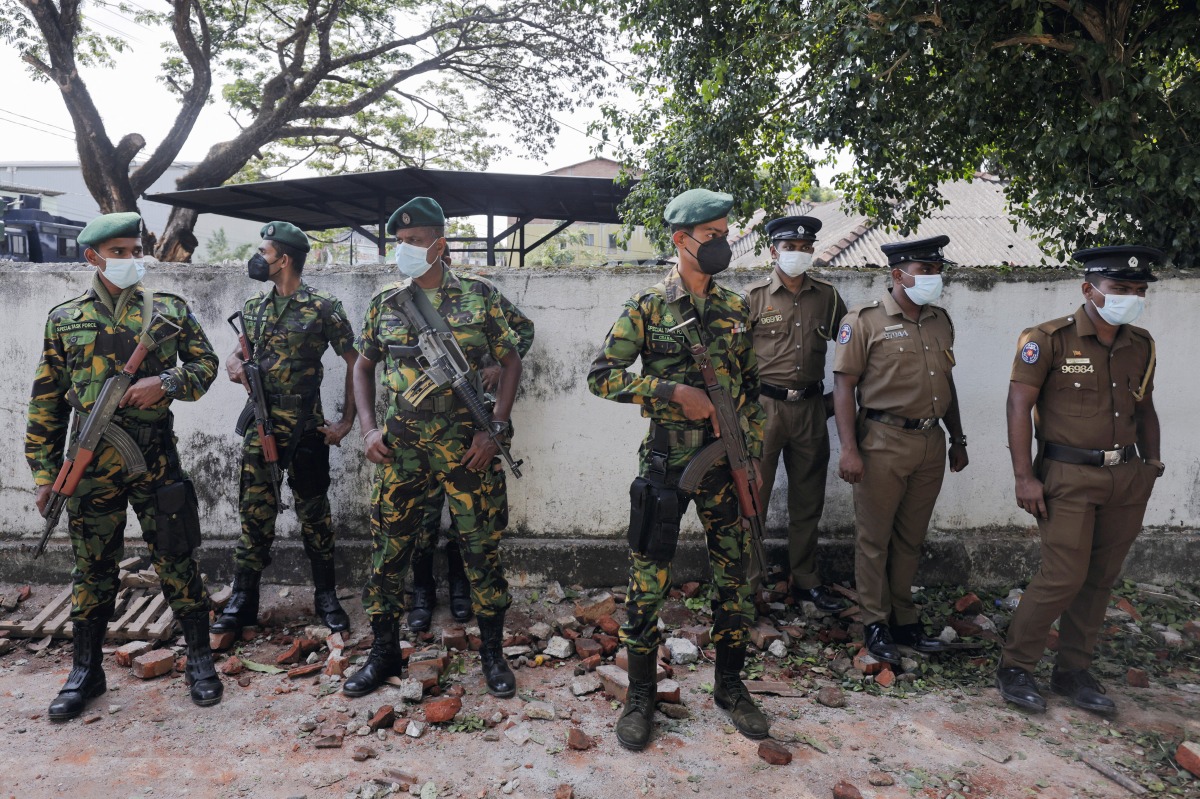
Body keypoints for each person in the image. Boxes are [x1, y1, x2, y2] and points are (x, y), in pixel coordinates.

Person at [588, 188, 769, 751]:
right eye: (712, 236)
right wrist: (673, 392)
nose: (722, 245)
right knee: (648, 585)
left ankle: (731, 687)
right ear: (680, 239)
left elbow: (752, 392)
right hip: (668, 463)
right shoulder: (646, 308)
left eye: (724, 235)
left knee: (734, 578)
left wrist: (754, 456)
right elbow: (603, 376)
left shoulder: (737, 309)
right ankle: (641, 694)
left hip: (726, 465)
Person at [26, 211, 222, 719]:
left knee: (176, 556)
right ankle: (85, 671)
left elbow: (207, 367)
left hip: (154, 456)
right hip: (88, 467)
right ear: (93, 257)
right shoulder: (64, 318)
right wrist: (47, 475)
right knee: (92, 569)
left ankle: (200, 660)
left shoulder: (169, 310)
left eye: (136, 250)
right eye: (120, 252)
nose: (133, 259)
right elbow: (45, 402)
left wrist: (167, 383)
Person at [347, 197, 523, 699]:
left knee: (482, 550)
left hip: (468, 451)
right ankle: (382, 653)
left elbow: (511, 362)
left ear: (439, 245)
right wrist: (366, 429)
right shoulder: (385, 302)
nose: (403, 251)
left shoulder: (479, 297)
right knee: (388, 553)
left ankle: (492, 654)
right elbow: (362, 366)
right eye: (399, 243)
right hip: (401, 451)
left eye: (414, 242)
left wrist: (496, 429)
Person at [996, 246, 1162, 715]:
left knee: (1100, 578)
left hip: (1126, 476)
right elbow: (1017, 407)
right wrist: (1023, 476)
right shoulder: (1048, 339)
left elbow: (1145, 409)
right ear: (1089, 289)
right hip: (1067, 475)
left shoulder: (1142, 344)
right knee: (1063, 574)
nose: (1130, 297)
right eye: (1120, 288)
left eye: (1138, 290)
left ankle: (1072, 670)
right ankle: (1016, 666)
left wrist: (1153, 465)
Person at [212, 222, 358, 639]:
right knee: (254, 513)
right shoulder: (254, 309)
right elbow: (241, 354)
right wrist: (233, 363)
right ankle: (244, 599)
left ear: (285, 258)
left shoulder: (324, 307)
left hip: (307, 429)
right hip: (261, 425)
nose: (258, 258)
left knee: (315, 513)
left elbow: (356, 362)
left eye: (264, 251)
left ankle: (326, 597)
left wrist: (346, 422)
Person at [832, 235, 969, 664]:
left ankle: (904, 620)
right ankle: (875, 621)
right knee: (875, 539)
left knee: (911, 538)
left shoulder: (939, 320)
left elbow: (946, 383)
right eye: (925, 271)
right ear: (898, 274)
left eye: (936, 270)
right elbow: (843, 386)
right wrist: (849, 449)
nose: (934, 278)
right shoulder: (865, 321)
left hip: (930, 442)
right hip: (881, 442)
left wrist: (958, 436)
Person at [409, 282, 533, 631]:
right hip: (419, 421)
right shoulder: (401, 298)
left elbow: (522, 330)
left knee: (471, 512)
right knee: (423, 510)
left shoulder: (479, 293)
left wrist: (496, 364)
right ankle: (422, 588)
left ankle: (461, 584)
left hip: (471, 413)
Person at [745, 215, 848, 612]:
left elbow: (851, 348)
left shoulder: (828, 297)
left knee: (808, 501)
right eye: (791, 247)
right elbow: (733, 361)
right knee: (754, 500)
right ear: (774, 251)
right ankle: (749, 585)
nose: (799, 254)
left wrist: (829, 404)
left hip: (810, 408)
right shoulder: (753, 298)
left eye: (806, 248)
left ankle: (805, 580)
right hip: (764, 409)